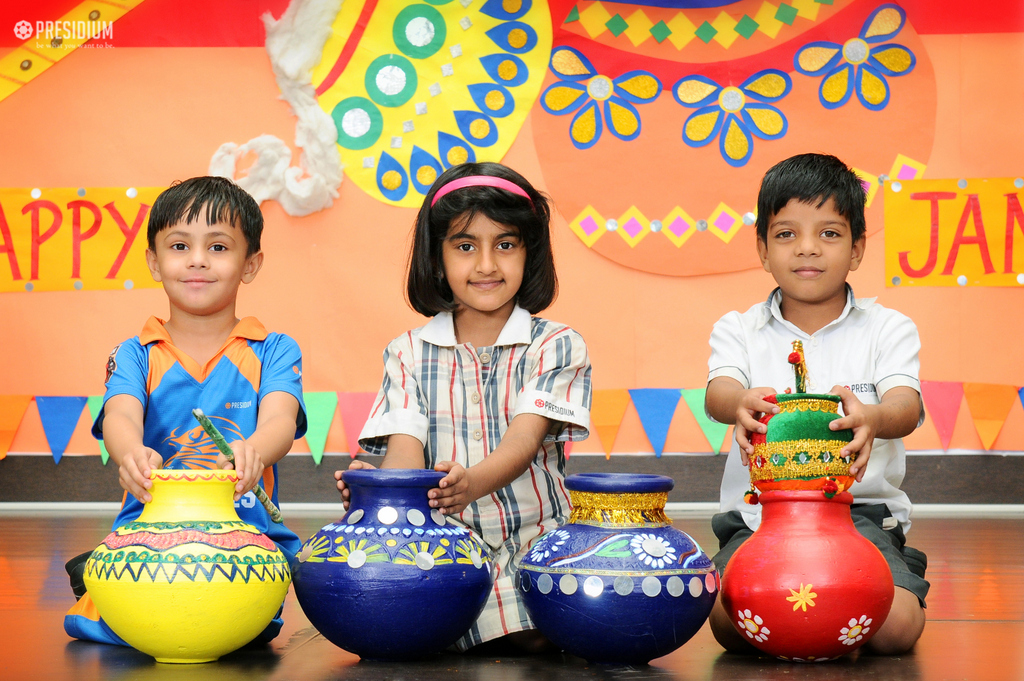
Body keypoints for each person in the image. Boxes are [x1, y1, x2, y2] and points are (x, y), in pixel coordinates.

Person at [334, 162, 592, 654]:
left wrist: (470, 483)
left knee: (544, 618)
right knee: (389, 604)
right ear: (437, 258)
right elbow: (406, 453)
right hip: (445, 546)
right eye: (465, 245)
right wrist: (380, 497)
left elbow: (523, 441)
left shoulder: (556, 345)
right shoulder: (407, 352)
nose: (487, 265)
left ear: (530, 252)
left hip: (536, 542)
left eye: (506, 244)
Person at [64, 176, 307, 646]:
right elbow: (120, 414)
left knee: (232, 620)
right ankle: (99, 577)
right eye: (179, 245)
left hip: (245, 534)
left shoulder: (274, 349)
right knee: (129, 623)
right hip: (148, 536)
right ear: (155, 262)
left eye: (218, 247)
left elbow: (280, 418)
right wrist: (131, 452)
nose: (197, 259)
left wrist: (254, 449)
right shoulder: (135, 353)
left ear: (250, 264)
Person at [704, 154, 929, 655]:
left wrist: (872, 417)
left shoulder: (887, 328)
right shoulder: (738, 329)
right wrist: (739, 401)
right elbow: (718, 394)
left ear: (857, 249)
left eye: (829, 233)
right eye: (786, 234)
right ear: (762, 250)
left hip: (859, 516)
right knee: (727, 626)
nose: (807, 248)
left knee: (896, 631)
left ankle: (836, 612)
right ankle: (821, 620)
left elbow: (905, 407)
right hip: (761, 518)